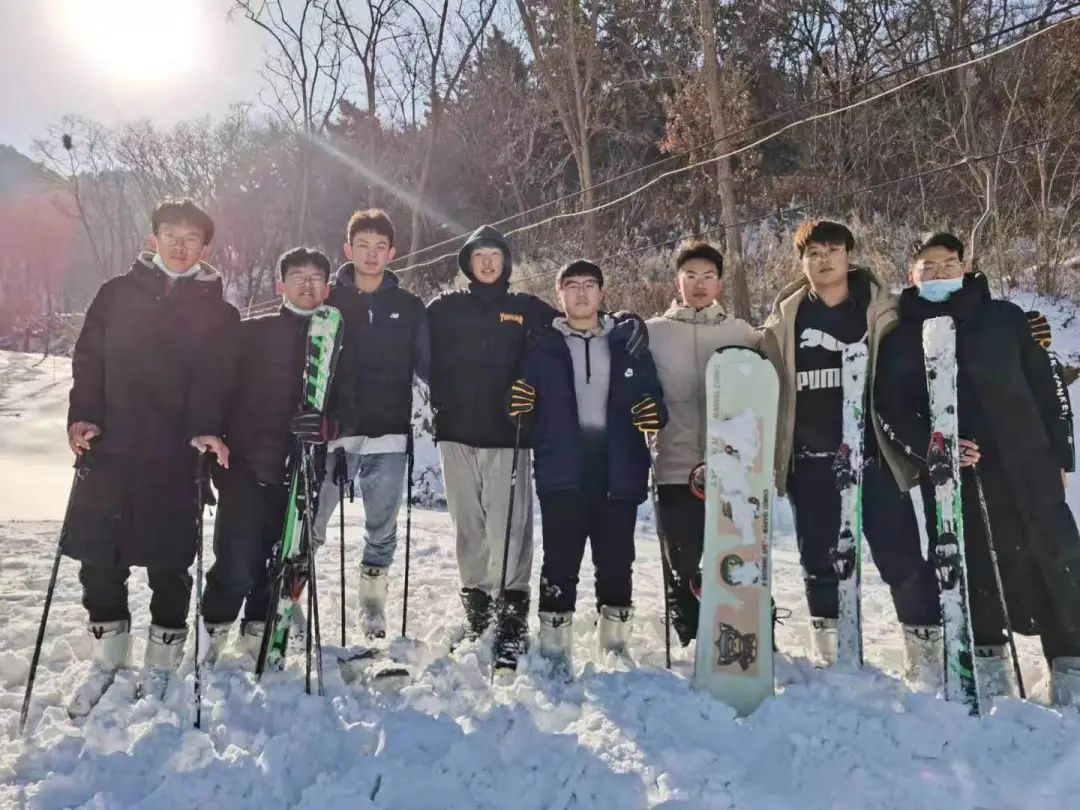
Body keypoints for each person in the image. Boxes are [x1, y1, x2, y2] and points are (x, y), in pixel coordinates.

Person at [426, 225, 646, 670]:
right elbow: (412, 347)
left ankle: (511, 620)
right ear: (467, 262)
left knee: (509, 531)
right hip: (455, 431)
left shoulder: (526, 309)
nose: (487, 262)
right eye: (479, 255)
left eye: (495, 254)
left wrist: (628, 321)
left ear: (506, 262)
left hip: (509, 435)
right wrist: (439, 393)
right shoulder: (445, 308)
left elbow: (580, 316)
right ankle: (478, 613)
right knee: (468, 527)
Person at [875, 232, 1080, 704]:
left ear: (965, 267)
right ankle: (989, 662)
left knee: (1055, 556)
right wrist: (932, 449)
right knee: (970, 566)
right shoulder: (901, 337)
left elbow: (1048, 386)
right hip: (955, 474)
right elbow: (890, 407)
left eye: (949, 263)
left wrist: (1061, 455)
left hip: (1027, 463)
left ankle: (1070, 660)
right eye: (928, 266)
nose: (940, 273)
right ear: (912, 274)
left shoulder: (1005, 318)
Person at [64, 199, 237, 714]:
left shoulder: (218, 312)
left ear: (205, 248)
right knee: (99, 557)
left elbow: (217, 378)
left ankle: (161, 664)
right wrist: (83, 415)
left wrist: (205, 429)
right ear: (153, 239)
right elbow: (88, 358)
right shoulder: (115, 295)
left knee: (170, 561)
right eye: (171, 235)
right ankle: (108, 658)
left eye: (191, 238)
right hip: (112, 446)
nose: (180, 245)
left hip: (175, 453)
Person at [760, 219, 941, 675]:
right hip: (810, 462)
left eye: (833, 250)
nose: (823, 260)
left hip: (874, 457)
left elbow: (941, 326)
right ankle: (834, 656)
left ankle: (925, 655)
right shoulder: (784, 321)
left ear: (849, 255)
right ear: (802, 262)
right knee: (820, 562)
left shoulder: (884, 311)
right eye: (813, 253)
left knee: (900, 556)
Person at [508, 260, 666, 672]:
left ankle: (614, 647)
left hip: (618, 467)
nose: (581, 293)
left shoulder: (627, 343)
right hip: (562, 467)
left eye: (589, 285)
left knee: (617, 560)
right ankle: (554, 650)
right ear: (559, 295)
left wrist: (654, 412)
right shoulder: (542, 346)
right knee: (560, 561)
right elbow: (521, 405)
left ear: (602, 292)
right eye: (572, 285)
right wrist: (518, 406)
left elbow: (653, 394)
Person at [197, 248, 335, 665]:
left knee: (283, 558)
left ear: (327, 288)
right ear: (280, 286)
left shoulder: (336, 341)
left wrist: (328, 426)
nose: (307, 285)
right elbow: (215, 384)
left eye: (315, 278)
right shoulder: (251, 334)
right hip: (245, 465)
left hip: (304, 471)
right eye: (297, 277)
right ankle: (211, 633)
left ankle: (260, 630)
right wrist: (209, 431)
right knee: (236, 560)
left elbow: (353, 401)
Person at [312, 209, 428, 639]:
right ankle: (291, 599)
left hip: (390, 432)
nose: (371, 254)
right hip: (335, 434)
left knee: (382, 527)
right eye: (363, 245)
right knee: (311, 523)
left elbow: (430, 364)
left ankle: (372, 605)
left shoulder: (409, 307)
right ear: (348, 249)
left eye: (380, 247)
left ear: (392, 253)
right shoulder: (328, 302)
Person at [646, 242, 760, 645]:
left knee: (733, 554)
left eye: (708, 276)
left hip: (730, 469)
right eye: (691, 276)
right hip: (674, 464)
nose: (699, 284)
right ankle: (689, 631)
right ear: (676, 282)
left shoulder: (742, 333)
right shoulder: (653, 333)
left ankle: (743, 628)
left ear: (720, 284)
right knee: (682, 557)